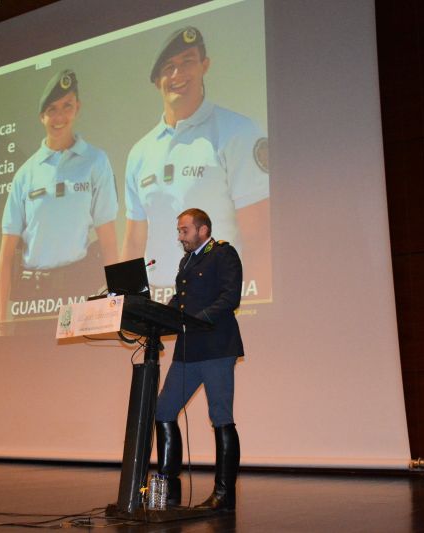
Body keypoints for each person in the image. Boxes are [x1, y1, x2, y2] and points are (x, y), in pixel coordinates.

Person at [121, 26, 270, 300]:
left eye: (187, 62)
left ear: (205, 65)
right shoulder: (140, 152)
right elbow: (133, 243)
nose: (177, 74)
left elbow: (259, 235)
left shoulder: (238, 132)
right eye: (168, 67)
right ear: (157, 80)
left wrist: (254, 306)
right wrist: (124, 310)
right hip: (157, 308)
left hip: (215, 300)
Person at [0, 70, 118, 333]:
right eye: (52, 109)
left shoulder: (96, 162)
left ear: (78, 108)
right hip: (32, 301)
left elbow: (109, 243)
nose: (59, 117)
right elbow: (6, 257)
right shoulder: (25, 174)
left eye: (67, 106)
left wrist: (119, 308)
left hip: (79, 293)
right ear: (42, 116)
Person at [155, 207, 243, 512]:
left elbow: (230, 297)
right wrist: (159, 314)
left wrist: (199, 319)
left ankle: (224, 494)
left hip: (217, 346)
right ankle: (168, 486)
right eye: (179, 231)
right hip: (187, 350)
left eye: (185, 230)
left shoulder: (224, 254)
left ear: (203, 230)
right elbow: (180, 301)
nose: (180, 237)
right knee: (164, 410)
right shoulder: (186, 261)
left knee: (221, 416)